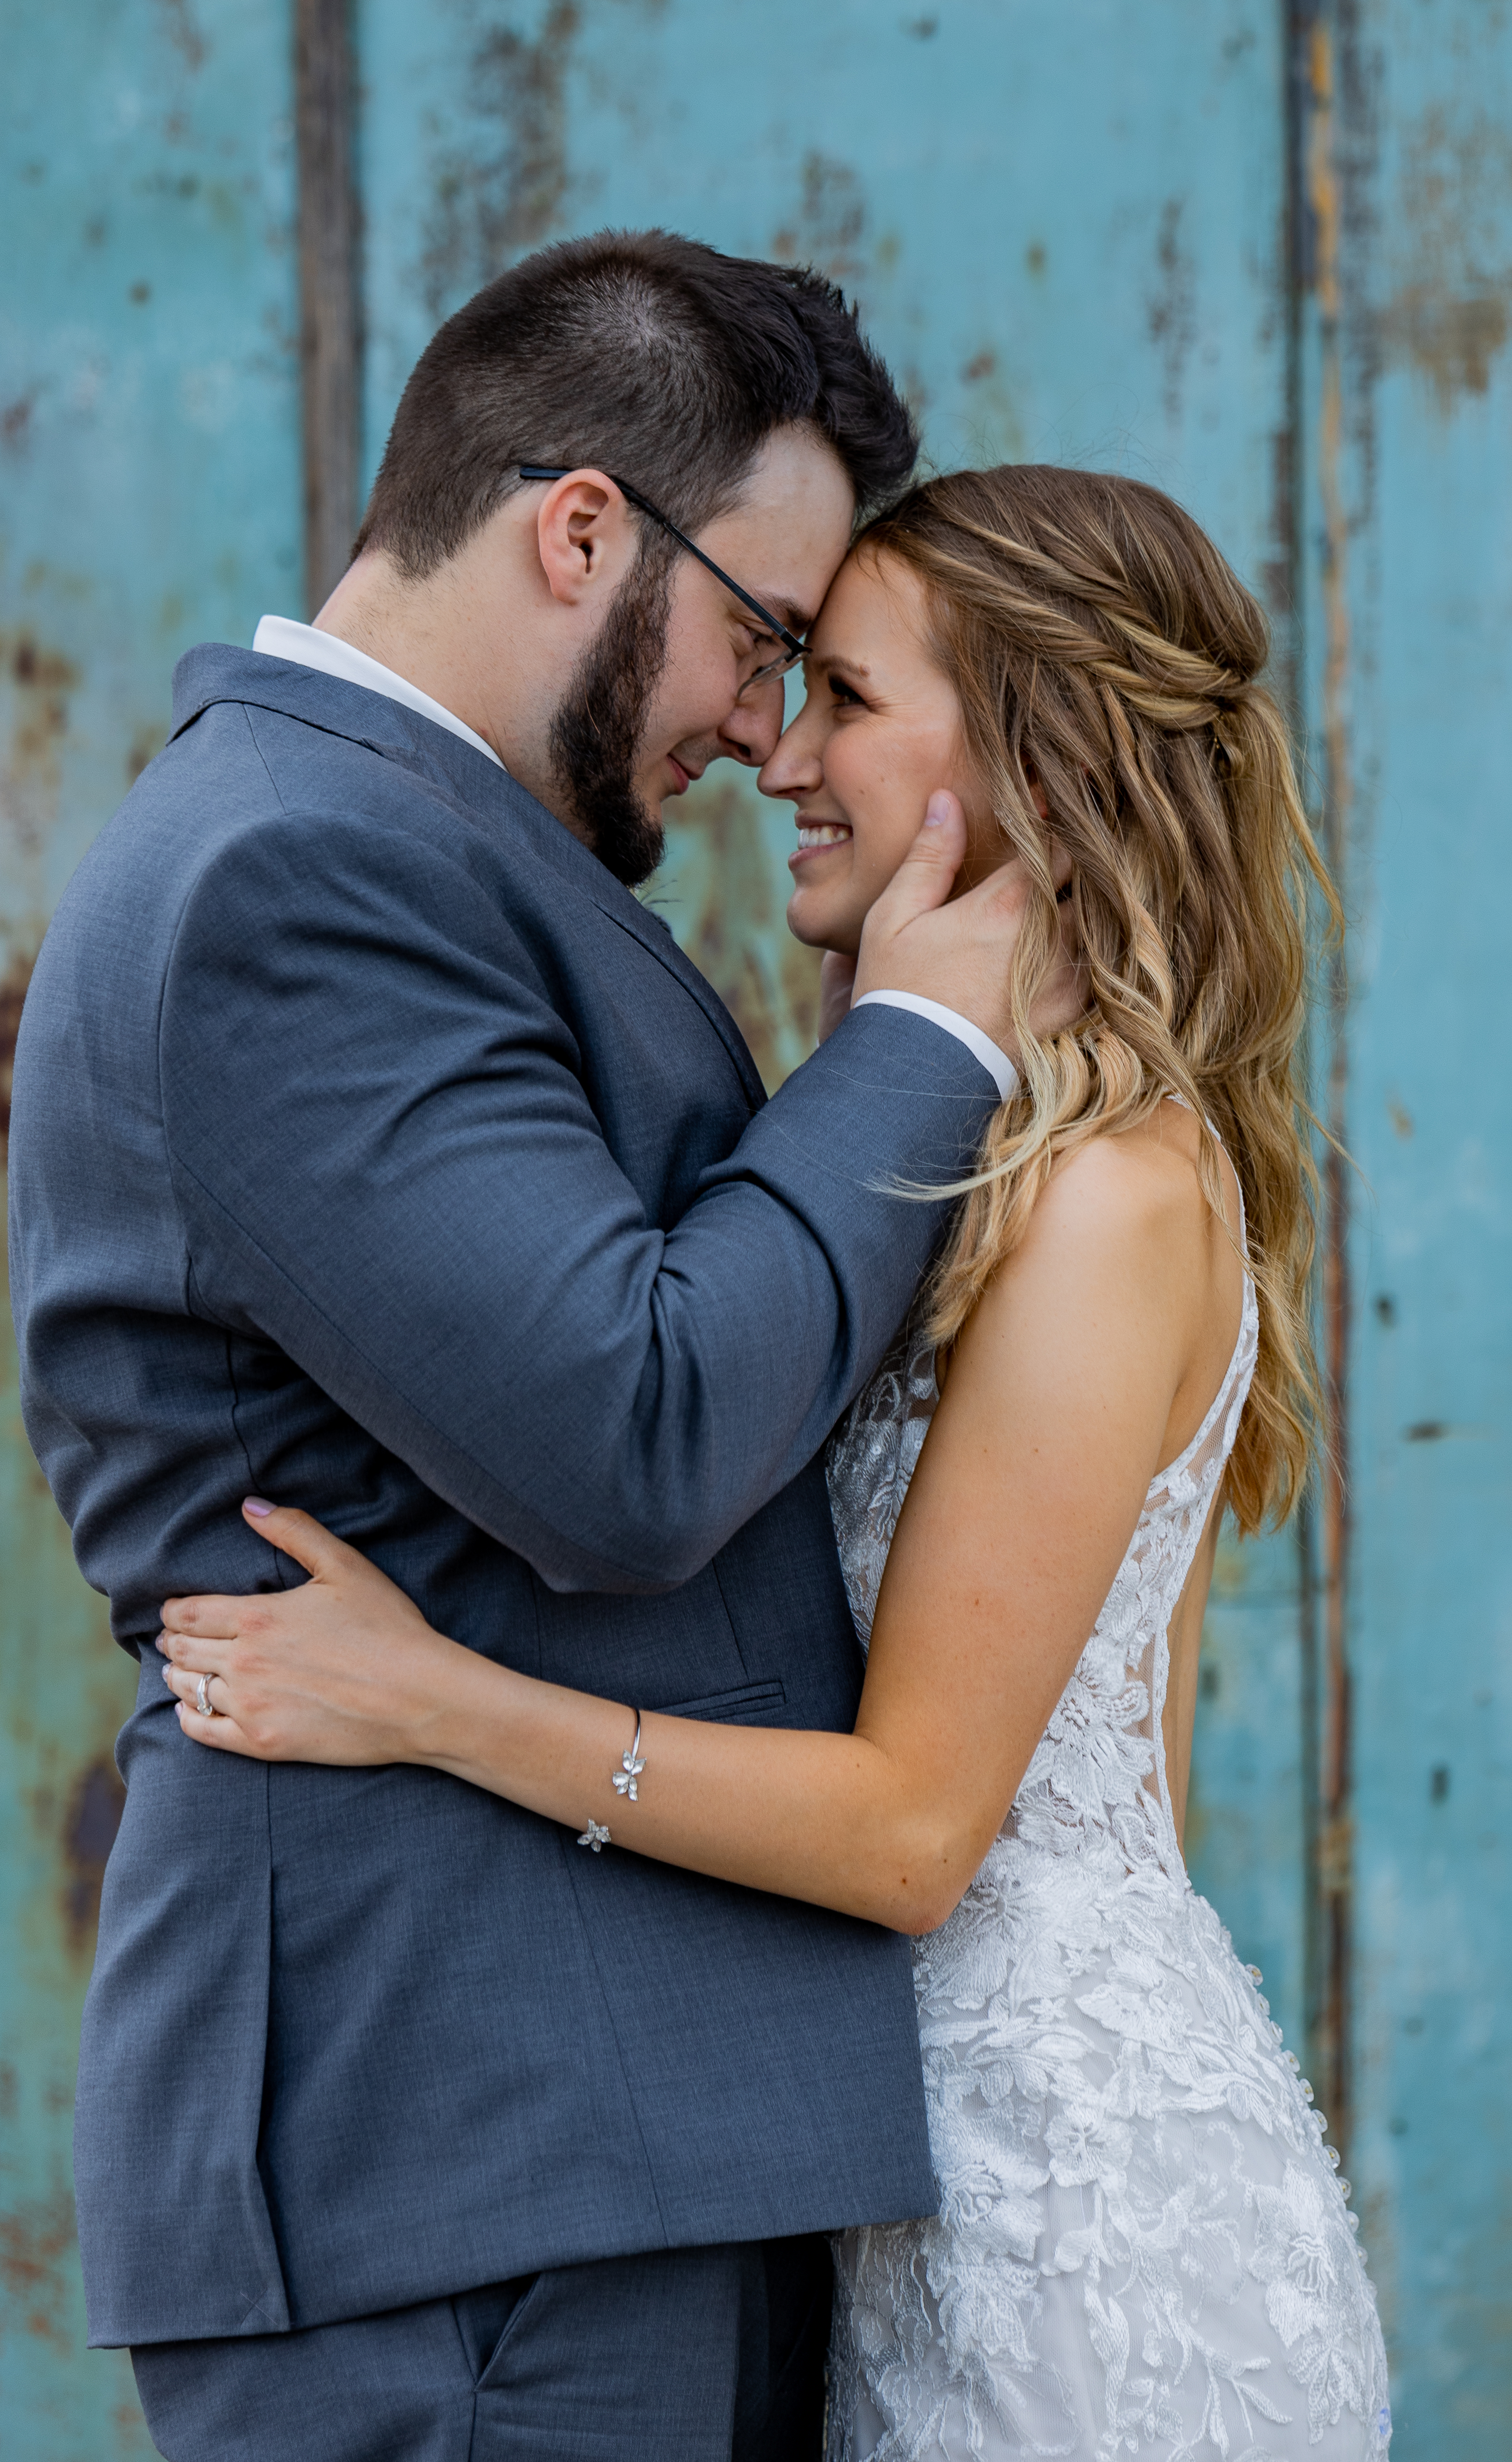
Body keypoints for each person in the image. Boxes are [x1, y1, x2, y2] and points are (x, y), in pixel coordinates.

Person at [156, 466, 1394, 2460]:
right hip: (920, 2182)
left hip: (1066, 2235)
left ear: (1042, 763)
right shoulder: (960, 1177)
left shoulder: (1107, 1203)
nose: (784, 756)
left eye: (851, 698)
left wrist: (434, 1703)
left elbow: (921, 1838)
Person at [8, 233, 1082, 2461]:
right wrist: (919, 1045)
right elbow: (636, 1432)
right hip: (465, 2159)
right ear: (581, 530)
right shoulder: (293, 874)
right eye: (759, 638)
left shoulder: (395, 847)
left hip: (576, 2146)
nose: (762, 732)